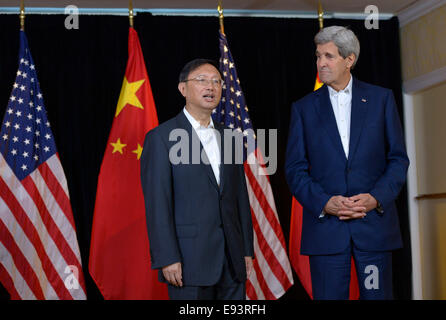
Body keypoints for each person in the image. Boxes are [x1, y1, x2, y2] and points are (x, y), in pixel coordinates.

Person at [285, 26, 409, 300]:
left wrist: (375, 198)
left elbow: (398, 160)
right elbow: (294, 169)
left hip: (374, 229)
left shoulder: (381, 100)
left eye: (329, 56)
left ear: (349, 59)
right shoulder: (303, 108)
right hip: (326, 233)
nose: (321, 63)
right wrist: (325, 202)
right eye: (318, 56)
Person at [140, 58, 254, 300]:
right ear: (183, 89)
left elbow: (240, 198)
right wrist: (167, 257)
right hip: (188, 261)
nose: (210, 87)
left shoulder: (231, 137)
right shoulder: (161, 138)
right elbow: (158, 204)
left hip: (232, 262)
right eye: (201, 80)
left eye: (216, 82)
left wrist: (245, 250)